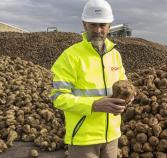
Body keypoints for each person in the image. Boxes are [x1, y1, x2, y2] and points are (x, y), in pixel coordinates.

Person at [50, 0, 128, 157]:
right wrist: (93, 105)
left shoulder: (115, 55)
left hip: (112, 136)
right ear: (84, 24)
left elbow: (125, 84)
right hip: (83, 140)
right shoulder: (70, 56)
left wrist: (129, 96)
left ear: (109, 26)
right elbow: (58, 97)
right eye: (93, 25)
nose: (98, 30)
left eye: (102, 25)